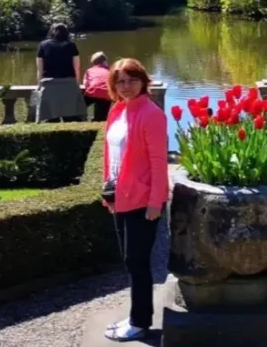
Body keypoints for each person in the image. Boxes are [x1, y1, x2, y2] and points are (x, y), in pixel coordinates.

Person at [102, 58, 168, 342]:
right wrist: (107, 191)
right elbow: (110, 156)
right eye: (120, 81)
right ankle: (134, 316)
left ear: (143, 81)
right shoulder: (117, 110)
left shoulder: (151, 114)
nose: (126, 86)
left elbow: (157, 162)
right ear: (113, 85)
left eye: (132, 80)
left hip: (142, 200)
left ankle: (140, 322)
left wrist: (156, 201)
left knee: (137, 263)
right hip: (120, 197)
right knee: (130, 262)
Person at [34, 23, 87, 123]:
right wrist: (77, 84)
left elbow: (39, 69)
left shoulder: (43, 45)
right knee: (71, 118)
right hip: (69, 84)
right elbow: (77, 67)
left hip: (49, 85)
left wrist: (39, 85)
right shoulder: (71, 45)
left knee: (51, 119)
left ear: (51, 31)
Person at [83, 52, 113, 122]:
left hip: (92, 92)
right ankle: (97, 120)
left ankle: (82, 119)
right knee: (101, 118)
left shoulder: (89, 70)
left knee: (79, 107)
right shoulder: (111, 70)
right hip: (106, 93)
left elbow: (86, 84)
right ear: (105, 61)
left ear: (93, 63)